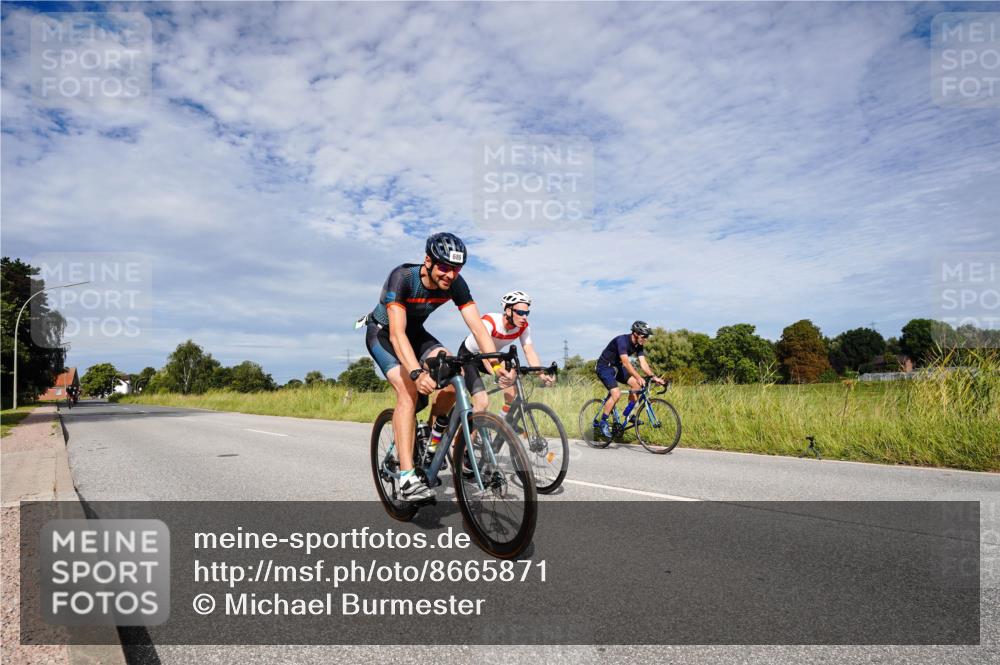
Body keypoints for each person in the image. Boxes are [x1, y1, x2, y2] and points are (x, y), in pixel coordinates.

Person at [364, 233, 498, 503]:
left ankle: (433, 434)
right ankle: (406, 478)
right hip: (383, 335)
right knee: (409, 393)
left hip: (417, 333)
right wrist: (416, 372)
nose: (450, 275)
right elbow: (397, 335)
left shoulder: (456, 284)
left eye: (456, 269)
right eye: (445, 267)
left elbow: (477, 327)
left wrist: (495, 365)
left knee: (454, 372)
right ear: (428, 261)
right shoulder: (402, 278)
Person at [458, 291, 554, 422]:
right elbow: (483, 350)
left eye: (527, 313)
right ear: (508, 311)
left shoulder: (523, 327)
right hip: (470, 356)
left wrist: (541, 374)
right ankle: (466, 438)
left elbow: (529, 351)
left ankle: (502, 422)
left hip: (493, 355)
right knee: (482, 403)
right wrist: (497, 374)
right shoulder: (490, 321)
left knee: (511, 392)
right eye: (520, 312)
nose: (524, 317)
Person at [593, 321, 665, 439]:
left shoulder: (639, 344)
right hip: (604, 366)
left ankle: (629, 414)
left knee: (636, 385)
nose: (646, 339)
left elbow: (643, 363)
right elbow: (626, 363)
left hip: (617, 367)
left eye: (647, 336)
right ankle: (603, 423)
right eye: (644, 336)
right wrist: (638, 376)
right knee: (616, 394)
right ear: (636, 333)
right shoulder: (622, 341)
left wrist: (653, 377)